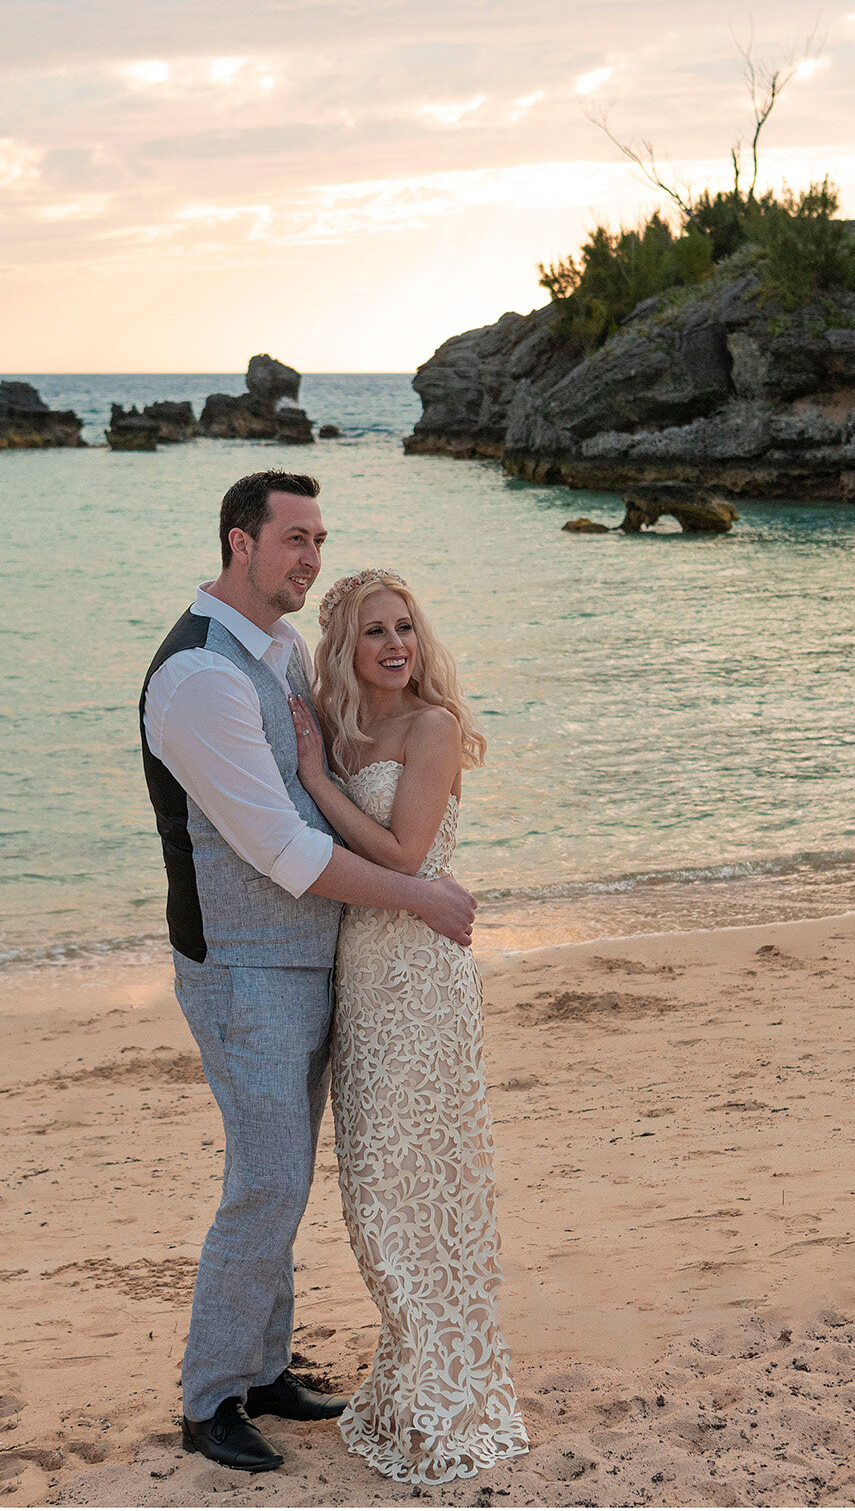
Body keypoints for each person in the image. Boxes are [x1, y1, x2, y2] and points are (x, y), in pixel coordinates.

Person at [139, 472, 479, 1475]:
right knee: (269, 1181)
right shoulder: (198, 677)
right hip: (242, 968)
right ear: (238, 543)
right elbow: (279, 848)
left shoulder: (281, 649)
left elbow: (333, 781)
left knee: (283, 1181)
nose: (309, 559)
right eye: (292, 539)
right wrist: (418, 896)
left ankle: (264, 1369)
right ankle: (210, 1399)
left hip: (322, 957)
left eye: (318, 539)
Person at [287, 567, 529, 1485]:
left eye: (406, 628)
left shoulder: (431, 729)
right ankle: (412, 1371)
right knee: (376, 1191)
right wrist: (320, 759)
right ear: (344, 651)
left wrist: (313, 773)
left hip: (423, 980)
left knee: (420, 1190)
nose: (395, 645)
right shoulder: (352, 730)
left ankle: (447, 1389)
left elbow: (404, 855)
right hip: (362, 974)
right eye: (374, 633)